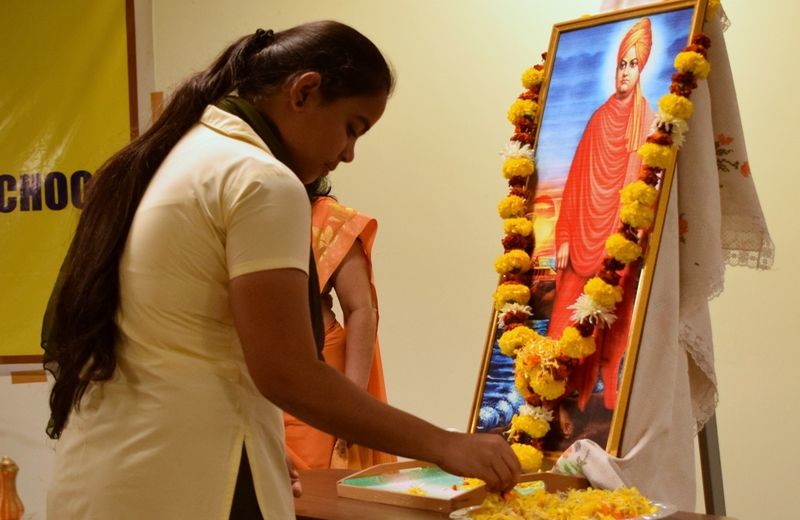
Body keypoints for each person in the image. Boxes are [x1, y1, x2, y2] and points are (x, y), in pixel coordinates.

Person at [42, 21, 520, 519]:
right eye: (352, 127)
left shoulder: (176, 156)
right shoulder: (262, 180)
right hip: (189, 481)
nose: (348, 154)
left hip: (112, 473)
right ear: (305, 91)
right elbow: (288, 373)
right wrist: (444, 445)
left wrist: (261, 443)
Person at [547, 18, 655, 415]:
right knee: (562, 326)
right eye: (621, 64)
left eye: (633, 65)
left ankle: (602, 400)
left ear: (642, 69)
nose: (625, 72)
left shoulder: (647, 123)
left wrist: (634, 239)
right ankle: (553, 403)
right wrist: (563, 237)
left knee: (611, 327)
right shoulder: (597, 119)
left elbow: (647, 188)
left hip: (617, 246)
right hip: (581, 239)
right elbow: (575, 183)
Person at [284, 180, 396, 469]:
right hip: (252, 375)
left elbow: (360, 309)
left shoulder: (328, 220)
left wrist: (351, 408)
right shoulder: (240, 212)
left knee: (315, 487)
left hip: (317, 368)